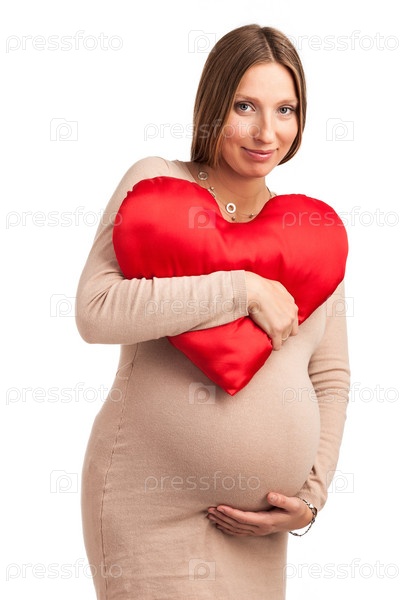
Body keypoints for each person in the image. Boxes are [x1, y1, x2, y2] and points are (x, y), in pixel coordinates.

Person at [75, 23, 350, 599]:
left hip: (260, 529)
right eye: (245, 106)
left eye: (285, 110)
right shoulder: (156, 187)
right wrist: (241, 290)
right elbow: (97, 311)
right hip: (150, 508)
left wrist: (310, 499)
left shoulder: (310, 234)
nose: (266, 132)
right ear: (213, 104)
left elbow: (329, 377)